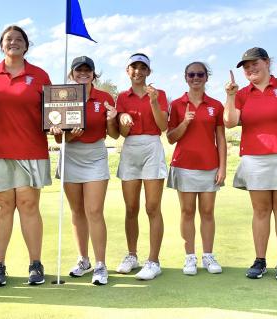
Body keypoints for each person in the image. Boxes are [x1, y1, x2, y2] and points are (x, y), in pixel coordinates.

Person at [224, 47, 277, 281]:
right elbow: (230, 122)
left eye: (255, 63)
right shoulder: (242, 94)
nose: (250, 69)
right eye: (246, 66)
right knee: (260, 211)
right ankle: (260, 260)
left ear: (267, 62)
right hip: (254, 158)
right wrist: (230, 96)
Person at [0, 25, 52, 286]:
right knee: (3, 207)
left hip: (31, 149)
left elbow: (52, 112)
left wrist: (56, 123)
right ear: (1, 45)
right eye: (9, 39)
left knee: (29, 206)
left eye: (19, 39)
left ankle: (35, 264)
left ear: (26, 45)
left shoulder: (40, 75)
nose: (13, 43)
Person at [51, 56, 119, 285]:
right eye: (78, 70)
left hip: (95, 155)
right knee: (77, 211)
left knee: (94, 210)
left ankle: (101, 264)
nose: (83, 74)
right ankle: (83, 260)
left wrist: (111, 119)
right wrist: (66, 133)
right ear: (72, 74)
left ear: (93, 74)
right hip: (70, 154)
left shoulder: (104, 98)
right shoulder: (62, 97)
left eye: (87, 70)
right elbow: (60, 138)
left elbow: (114, 134)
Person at [167, 62, 226, 276]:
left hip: (210, 166)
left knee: (208, 212)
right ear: (185, 77)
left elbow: (220, 137)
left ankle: (208, 255)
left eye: (200, 74)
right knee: (187, 211)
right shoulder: (176, 104)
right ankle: (189, 257)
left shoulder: (216, 105)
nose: (195, 78)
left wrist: (222, 167)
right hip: (183, 165)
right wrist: (184, 123)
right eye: (191, 74)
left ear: (206, 77)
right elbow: (171, 138)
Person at [115, 53, 168, 280]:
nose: (138, 71)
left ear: (148, 72)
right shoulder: (122, 97)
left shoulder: (159, 94)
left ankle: (153, 261)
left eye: (142, 68)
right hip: (130, 148)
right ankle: (132, 255)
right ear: (128, 71)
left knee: (152, 207)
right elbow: (121, 133)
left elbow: (163, 125)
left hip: (152, 147)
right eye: (133, 67)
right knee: (131, 208)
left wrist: (154, 101)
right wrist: (123, 118)